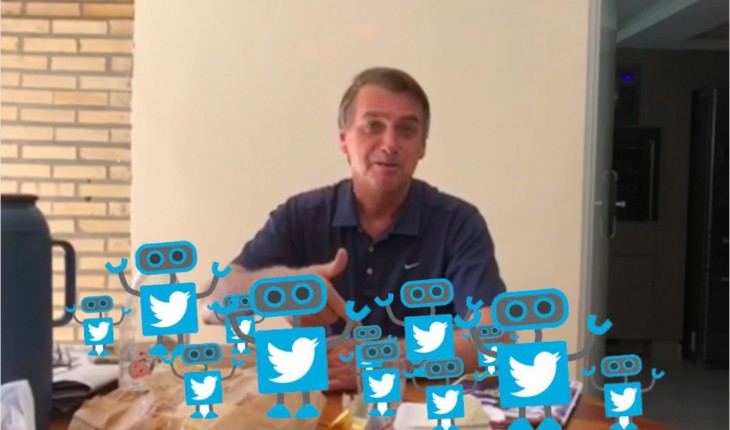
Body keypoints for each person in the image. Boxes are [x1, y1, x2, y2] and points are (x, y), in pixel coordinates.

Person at [200, 66, 509, 391]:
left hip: (422, 409)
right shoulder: (300, 216)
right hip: (318, 407)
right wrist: (277, 287)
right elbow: (209, 307)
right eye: (373, 126)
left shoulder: (458, 223)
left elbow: (495, 338)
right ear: (344, 140)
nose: (390, 144)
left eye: (406, 130)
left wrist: (385, 358)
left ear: (422, 146)